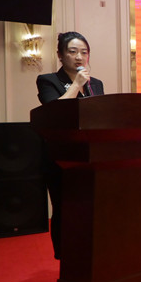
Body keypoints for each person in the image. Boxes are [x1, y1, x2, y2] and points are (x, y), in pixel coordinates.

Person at [36, 31, 104, 259]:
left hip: (90, 156)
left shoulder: (96, 84)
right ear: (60, 55)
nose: (79, 57)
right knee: (65, 209)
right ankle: (67, 260)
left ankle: (90, 256)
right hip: (60, 158)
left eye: (84, 52)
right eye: (73, 52)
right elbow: (54, 112)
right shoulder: (48, 81)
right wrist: (76, 85)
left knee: (91, 208)